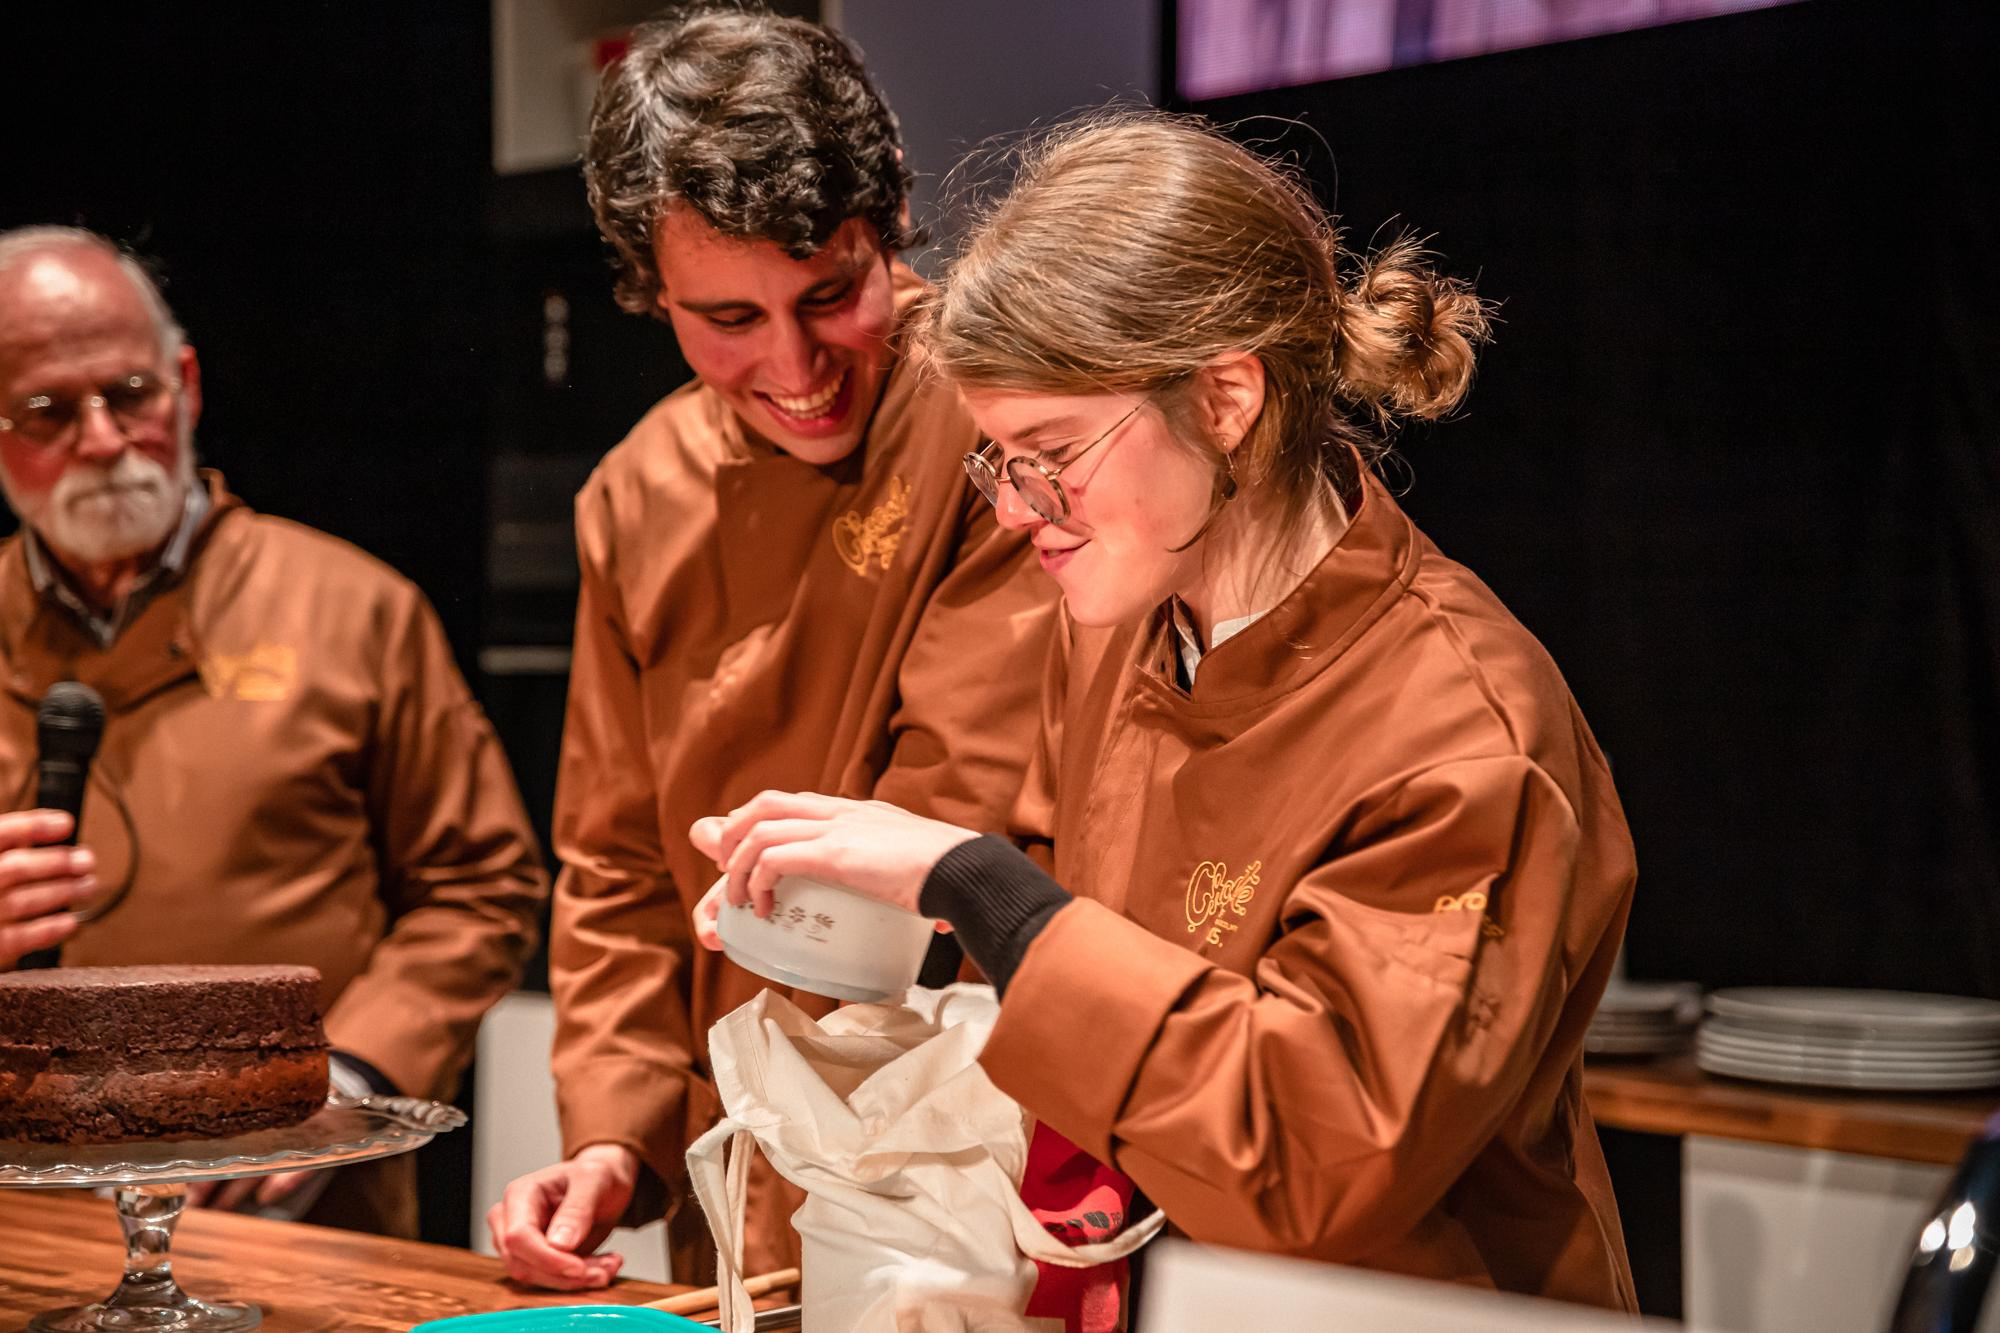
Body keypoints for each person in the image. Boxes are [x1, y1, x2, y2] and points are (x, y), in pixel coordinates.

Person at [695, 111, 1639, 1315]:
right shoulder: (1129, 625)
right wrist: (861, 905)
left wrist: (975, 884)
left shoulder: (1465, 730)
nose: (1012, 508)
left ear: (1227, 398)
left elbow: (1315, 1160)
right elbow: (1080, 947)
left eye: (1048, 449)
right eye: (991, 459)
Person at [487, 6, 1059, 1292]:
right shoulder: (634, 495)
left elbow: (956, 819)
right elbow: (618, 863)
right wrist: (613, 1138)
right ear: (647, 284)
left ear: (889, 227)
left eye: (831, 295)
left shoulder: (1000, 416)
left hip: (965, 1138)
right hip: (732, 1149)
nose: (797, 367)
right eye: (727, 319)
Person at [0, 226, 548, 1237]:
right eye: (47, 411)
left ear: (188, 383)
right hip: (29, 1211)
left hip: (298, 1211)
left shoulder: (354, 607)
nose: (105, 440)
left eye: (130, 395)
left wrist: (337, 1080)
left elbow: (483, 887)